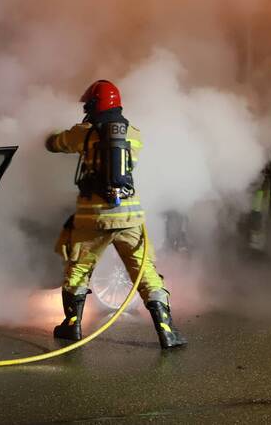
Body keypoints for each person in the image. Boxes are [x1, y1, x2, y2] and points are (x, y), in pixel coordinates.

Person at [46, 80, 187, 349]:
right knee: (145, 272)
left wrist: (47, 137)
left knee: (78, 269)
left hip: (94, 218)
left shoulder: (83, 132)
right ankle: (166, 329)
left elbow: (56, 143)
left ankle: (71, 326)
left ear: (94, 104)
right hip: (129, 217)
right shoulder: (134, 133)